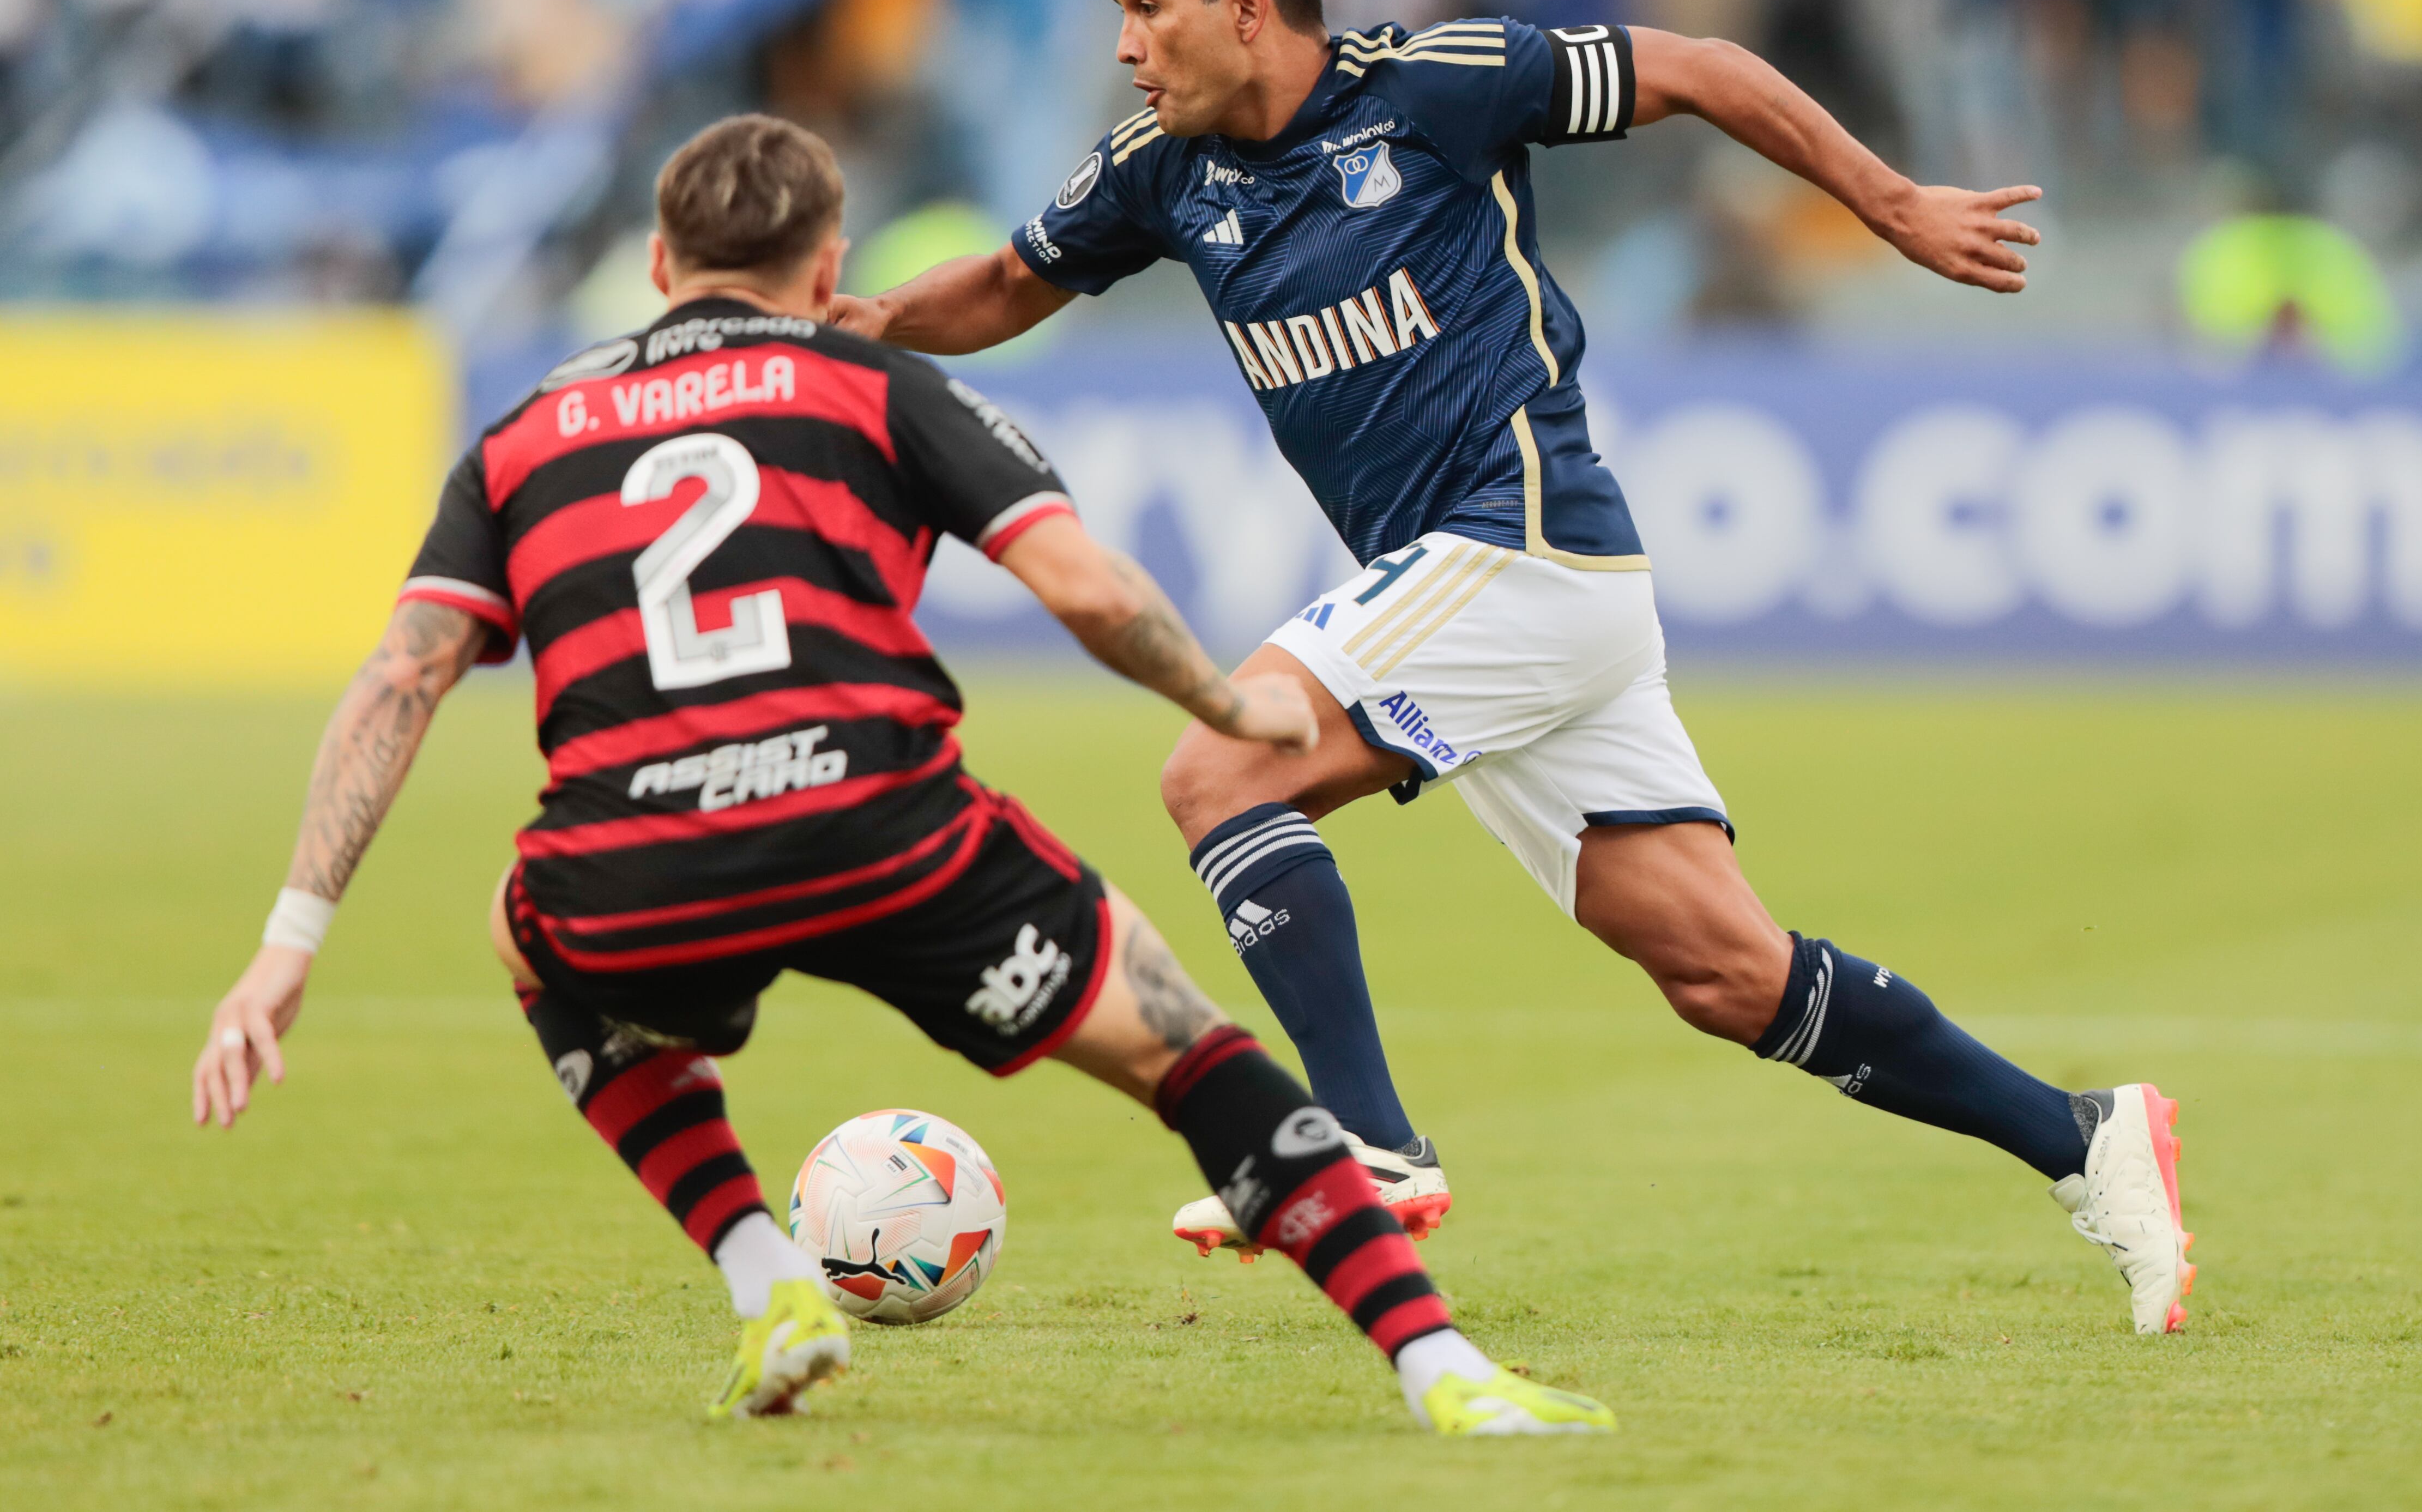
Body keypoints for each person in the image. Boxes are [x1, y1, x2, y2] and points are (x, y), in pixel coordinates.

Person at [830, 0, 2195, 1335]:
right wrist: (863, 331)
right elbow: (1012, 288)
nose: (1125, 46)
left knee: (1221, 767)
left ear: (1246, 7)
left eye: (1145, 9)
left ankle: (1364, 1144)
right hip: (1495, 606)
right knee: (1726, 971)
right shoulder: (1162, 167)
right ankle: (2086, 1138)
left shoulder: (1440, 84)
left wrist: (1891, 202)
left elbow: (1701, 67)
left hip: (1525, 546)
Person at [189, 114, 1615, 1436]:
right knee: (1185, 1050)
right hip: (887, 833)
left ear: (654, 262)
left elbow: (402, 679)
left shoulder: (520, 437)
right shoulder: (876, 382)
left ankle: (765, 1279)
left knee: (529, 929)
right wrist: (1224, 696)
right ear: (829, 265)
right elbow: (1090, 590)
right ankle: (1448, 1374)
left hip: (639, 862)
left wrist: (286, 943)